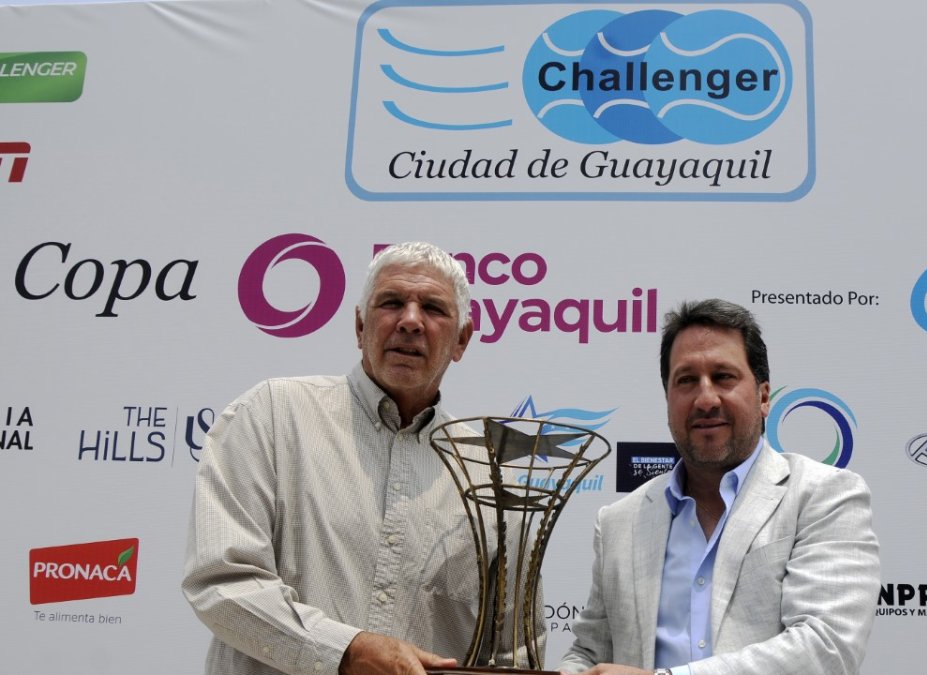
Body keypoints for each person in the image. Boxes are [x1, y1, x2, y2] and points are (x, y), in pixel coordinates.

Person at [183, 242, 532, 675]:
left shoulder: (491, 476)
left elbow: (509, 655)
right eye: (391, 303)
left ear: (462, 339)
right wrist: (346, 651)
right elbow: (223, 581)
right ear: (360, 326)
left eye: (433, 308)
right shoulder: (272, 415)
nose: (409, 321)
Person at [558, 299, 880, 675]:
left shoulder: (824, 497)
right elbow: (589, 651)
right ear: (668, 399)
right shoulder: (619, 522)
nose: (706, 399)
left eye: (724, 376)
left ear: (763, 397)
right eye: (686, 380)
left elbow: (827, 648)